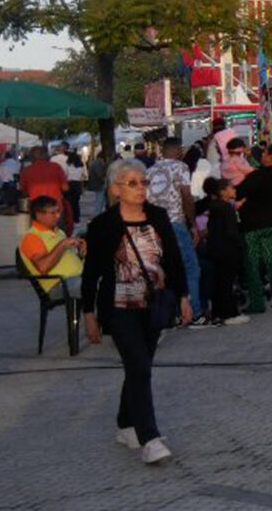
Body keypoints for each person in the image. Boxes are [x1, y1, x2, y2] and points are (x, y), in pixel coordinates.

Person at [81, 159, 191, 464]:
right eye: (133, 183)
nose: (141, 188)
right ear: (116, 188)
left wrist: (183, 296)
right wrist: (88, 314)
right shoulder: (103, 225)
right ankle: (150, 437)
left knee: (138, 367)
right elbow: (91, 273)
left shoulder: (158, 216)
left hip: (153, 303)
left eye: (143, 182)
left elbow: (172, 260)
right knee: (140, 366)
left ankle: (125, 424)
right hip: (119, 307)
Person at [147, 138, 202, 321]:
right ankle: (194, 312)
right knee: (190, 268)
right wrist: (193, 224)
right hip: (176, 223)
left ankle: (174, 312)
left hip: (155, 226)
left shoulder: (150, 170)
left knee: (167, 268)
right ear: (178, 151)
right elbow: (186, 196)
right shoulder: (181, 167)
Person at [234, 143, 272, 314]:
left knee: (252, 264)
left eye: (266, 153)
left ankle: (257, 303)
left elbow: (239, 192)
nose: (263, 155)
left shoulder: (258, 176)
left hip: (253, 225)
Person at [197, 177, 246, 326]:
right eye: (231, 187)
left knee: (219, 283)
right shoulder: (226, 208)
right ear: (223, 191)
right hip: (227, 251)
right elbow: (232, 232)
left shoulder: (213, 206)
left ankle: (218, 312)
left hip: (214, 249)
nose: (234, 190)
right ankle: (230, 313)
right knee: (227, 283)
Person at [19, 195, 85, 297]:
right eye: (53, 213)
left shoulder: (59, 232)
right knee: (97, 285)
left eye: (58, 212)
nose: (58, 216)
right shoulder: (32, 237)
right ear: (39, 215)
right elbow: (43, 267)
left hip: (75, 278)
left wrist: (81, 254)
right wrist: (62, 244)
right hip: (57, 285)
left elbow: (65, 261)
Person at [20, 146, 69, 228]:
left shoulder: (26, 171)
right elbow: (65, 188)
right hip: (55, 208)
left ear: (31, 157)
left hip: (38, 210)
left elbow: (23, 192)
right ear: (45, 155)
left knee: (39, 235)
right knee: (58, 236)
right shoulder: (56, 167)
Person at [63, 150, 87, 225]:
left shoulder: (67, 165)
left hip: (69, 183)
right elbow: (84, 175)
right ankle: (76, 217)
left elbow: (65, 174)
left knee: (69, 202)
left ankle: (70, 217)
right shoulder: (81, 165)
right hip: (77, 184)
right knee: (76, 202)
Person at [86, 151, 110, 219]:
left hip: (97, 184)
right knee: (100, 200)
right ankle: (97, 215)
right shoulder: (99, 163)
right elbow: (100, 174)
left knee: (100, 199)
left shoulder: (95, 162)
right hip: (100, 184)